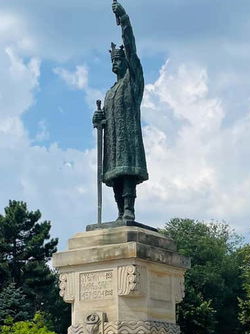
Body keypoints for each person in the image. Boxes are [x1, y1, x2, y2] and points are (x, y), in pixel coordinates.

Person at [92, 0, 148, 222]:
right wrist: (98, 119)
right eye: (112, 61)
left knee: (126, 172)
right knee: (115, 175)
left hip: (128, 140)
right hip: (112, 143)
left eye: (118, 60)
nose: (115, 63)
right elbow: (104, 119)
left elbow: (131, 48)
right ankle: (119, 212)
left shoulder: (132, 81)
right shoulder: (110, 92)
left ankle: (128, 208)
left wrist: (124, 20)